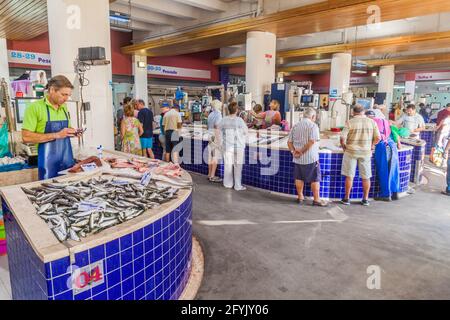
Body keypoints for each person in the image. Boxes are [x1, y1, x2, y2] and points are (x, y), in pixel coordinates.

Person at [22, 75, 83, 180]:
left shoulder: (64, 107)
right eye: (63, 94)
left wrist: (73, 132)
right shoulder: (34, 108)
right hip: (46, 163)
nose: (66, 98)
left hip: (66, 160)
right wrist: (57, 135)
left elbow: (66, 129)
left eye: (68, 95)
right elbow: (26, 137)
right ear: (52, 90)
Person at [340, 104, 381, 206]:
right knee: (366, 177)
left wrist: (344, 147)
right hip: (366, 152)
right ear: (364, 112)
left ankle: (346, 198)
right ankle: (365, 199)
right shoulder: (372, 122)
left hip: (351, 152)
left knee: (349, 176)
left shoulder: (350, 122)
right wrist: (371, 145)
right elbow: (378, 138)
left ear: (353, 112)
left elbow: (342, 138)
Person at [287, 108, 328, 207]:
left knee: (299, 177)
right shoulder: (313, 126)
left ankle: (300, 197)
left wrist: (294, 152)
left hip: (297, 158)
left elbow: (289, 142)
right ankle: (316, 200)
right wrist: (301, 151)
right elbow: (312, 141)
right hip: (310, 158)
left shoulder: (295, 126)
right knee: (315, 179)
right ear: (313, 117)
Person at [366, 110, 400, 201]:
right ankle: (395, 193)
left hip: (383, 146)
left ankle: (385, 195)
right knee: (394, 170)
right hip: (392, 145)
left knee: (384, 170)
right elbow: (395, 134)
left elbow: (377, 137)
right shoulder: (384, 121)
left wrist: (372, 145)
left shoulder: (371, 122)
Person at [219, 102, 248, 191]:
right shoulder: (239, 120)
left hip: (227, 146)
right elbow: (245, 132)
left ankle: (228, 184)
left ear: (228, 110)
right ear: (237, 110)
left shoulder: (223, 120)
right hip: (238, 147)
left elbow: (218, 131)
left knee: (228, 166)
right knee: (238, 167)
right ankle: (237, 186)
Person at [207, 100, 223, 183]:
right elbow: (217, 127)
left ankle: (209, 174)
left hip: (209, 136)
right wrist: (219, 140)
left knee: (210, 156)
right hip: (215, 137)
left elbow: (208, 126)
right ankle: (212, 176)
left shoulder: (210, 114)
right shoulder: (219, 114)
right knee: (215, 157)